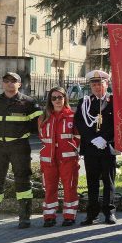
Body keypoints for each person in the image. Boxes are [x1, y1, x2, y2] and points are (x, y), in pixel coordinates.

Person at [0, 71, 42, 230]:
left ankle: (24, 217)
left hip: (20, 146)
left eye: (14, 81)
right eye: (6, 81)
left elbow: (39, 127)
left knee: (22, 179)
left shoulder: (29, 103)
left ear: (20, 84)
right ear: (2, 83)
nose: (10, 83)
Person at [74, 70, 117, 225]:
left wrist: (104, 138)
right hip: (91, 148)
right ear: (90, 86)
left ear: (107, 84)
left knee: (108, 182)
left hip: (107, 147)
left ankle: (109, 212)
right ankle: (91, 214)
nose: (97, 87)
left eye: (100, 84)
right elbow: (79, 123)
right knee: (92, 182)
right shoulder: (84, 102)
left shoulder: (114, 101)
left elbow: (117, 123)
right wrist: (93, 139)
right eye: (94, 84)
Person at [38, 86, 80, 226]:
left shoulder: (72, 116)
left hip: (68, 159)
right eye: (54, 98)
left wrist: (72, 149)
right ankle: (49, 216)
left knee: (70, 187)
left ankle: (69, 215)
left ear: (65, 98)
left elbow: (78, 137)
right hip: (48, 160)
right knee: (49, 188)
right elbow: (42, 137)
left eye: (60, 97)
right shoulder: (43, 117)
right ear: (50, 100)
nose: (57, 100)